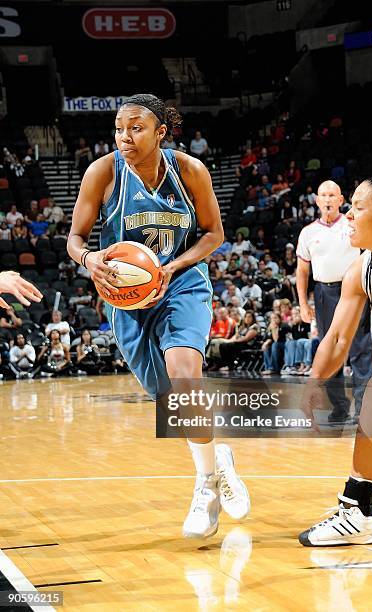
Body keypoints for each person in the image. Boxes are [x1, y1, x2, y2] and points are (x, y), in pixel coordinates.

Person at [67, 93, 250, 538]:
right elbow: (74, 237)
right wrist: (89, 260)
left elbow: (214, 233)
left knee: (185, 371)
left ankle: (206, 485)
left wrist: (173, 267)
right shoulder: (103, 173)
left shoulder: (189, 171)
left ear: (160, 132)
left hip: (180, 282)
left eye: (136, 128)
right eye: (119, 128)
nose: (125, 137)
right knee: (173, 402)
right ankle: (217, 458)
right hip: (126, 299)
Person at [299, 174, 372, 547]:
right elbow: (338, 338)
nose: (348, 215)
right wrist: (314, 383)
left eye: (358, 207)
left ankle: (358, 510)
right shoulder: (360, 271)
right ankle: (358, 511)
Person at [296, 180, 372, 423]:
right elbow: (302, 272)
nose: (328, 200)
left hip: (354, 289)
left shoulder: (352, 225)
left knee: (360, 348)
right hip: (323, 293)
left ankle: (364, 408)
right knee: (329, 350)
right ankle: (339, 408)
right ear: (317, 201)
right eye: (323, 195)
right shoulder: (308, 232)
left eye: (332, 195)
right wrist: (303, 304)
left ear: (341, 200)